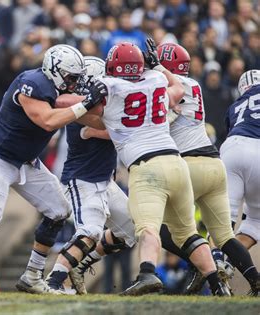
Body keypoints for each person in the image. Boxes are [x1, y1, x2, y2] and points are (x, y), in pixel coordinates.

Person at [0, 44, 105, 294]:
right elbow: (47, 121)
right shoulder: (32, 82)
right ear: (54, 70)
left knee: (59, 211)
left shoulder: (56, 89)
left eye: (76, 79)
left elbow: (88, 118)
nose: (73, 83)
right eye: (70, 77)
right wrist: (87, 102)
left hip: (28, 161)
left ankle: (33, 275)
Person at [94, 39, 228, 296]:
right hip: (177, 163)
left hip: (148, 167)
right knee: (188, 233)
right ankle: (217, 284)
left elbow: (103, 122)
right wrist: (159, 68)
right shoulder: (156, 83)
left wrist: (85, 122)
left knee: (147, 228)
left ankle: (146, 273)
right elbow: (176, 88)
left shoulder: (113, 90)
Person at [155, 43, 260, 296]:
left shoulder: (234, 105)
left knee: (163, 229)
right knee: (227, 233)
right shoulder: (194, 86)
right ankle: (254, 280)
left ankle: (207, 268)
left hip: (215, 156)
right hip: (212, 162)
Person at [44, 56, 136, 294]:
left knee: (132, 228)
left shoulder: (99, 105)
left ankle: (82, 264)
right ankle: (53, 281)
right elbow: (110, 128)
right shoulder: (81, 110)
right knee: (90, 231)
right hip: (83, 180)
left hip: (105, 181)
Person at [220, 69, 260, 294]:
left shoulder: (235, 105)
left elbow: (229, 130)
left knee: (224, 216)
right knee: (256, 220)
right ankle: (225, 262)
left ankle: (220, 260)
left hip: (233, 147)